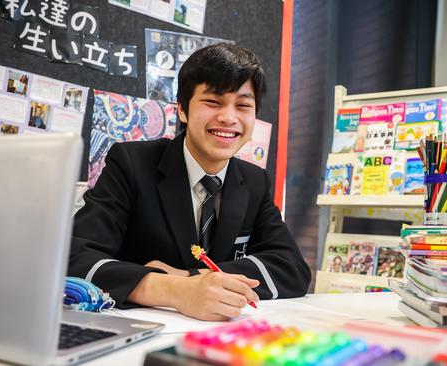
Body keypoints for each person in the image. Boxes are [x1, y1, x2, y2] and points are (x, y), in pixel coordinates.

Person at [68, 43, 311, 321]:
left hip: (220, 337)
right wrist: (173, 290)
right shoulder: (132, 164)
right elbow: (76, 258)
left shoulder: (254, 181)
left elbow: (293, 268)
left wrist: (194, 276)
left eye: (243, 105)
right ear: (182, 109)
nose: (229, 118)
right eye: (213, 102)